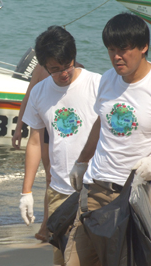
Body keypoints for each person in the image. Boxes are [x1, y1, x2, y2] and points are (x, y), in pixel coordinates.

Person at [66, 12, 151, 266]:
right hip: (97, 188)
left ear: (144, 46)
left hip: (139, 196)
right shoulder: (107, 79)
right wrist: (82, 161)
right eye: (111, 49)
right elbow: (100, 122)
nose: (116, 57)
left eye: (124, 49)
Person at [19, 25, 101, 266]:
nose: (63, 73)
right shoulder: (39, 92)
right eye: (55, 69)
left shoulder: (98, 84)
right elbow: (35, 142)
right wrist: (26, 192)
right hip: (59, 192)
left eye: (67, 65)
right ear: (44, 66)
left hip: (97, 190)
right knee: (63, 259)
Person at [12, 63, 51, 242]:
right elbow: (28, 97)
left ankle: (49, 223)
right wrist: (19, 127)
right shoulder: (40, 69)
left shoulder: (76, 69)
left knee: (55, 177)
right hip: (44, 129)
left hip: (63, 125)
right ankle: (46, 224)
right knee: (50, 177)